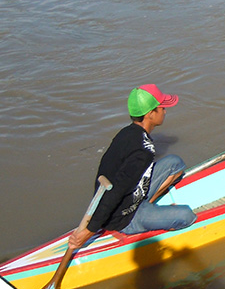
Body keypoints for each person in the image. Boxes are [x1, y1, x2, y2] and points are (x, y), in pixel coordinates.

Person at [68, 84, 196, 248]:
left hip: (131, 196)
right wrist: (88, 231)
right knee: (186, 215)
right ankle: (154, 221)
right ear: (150, 114)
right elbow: (115, 192)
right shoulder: (143, 152)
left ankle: (150, 207)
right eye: (162, 107)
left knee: (175, 163)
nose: (165, 111)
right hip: (125, 218)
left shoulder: (127, 133)